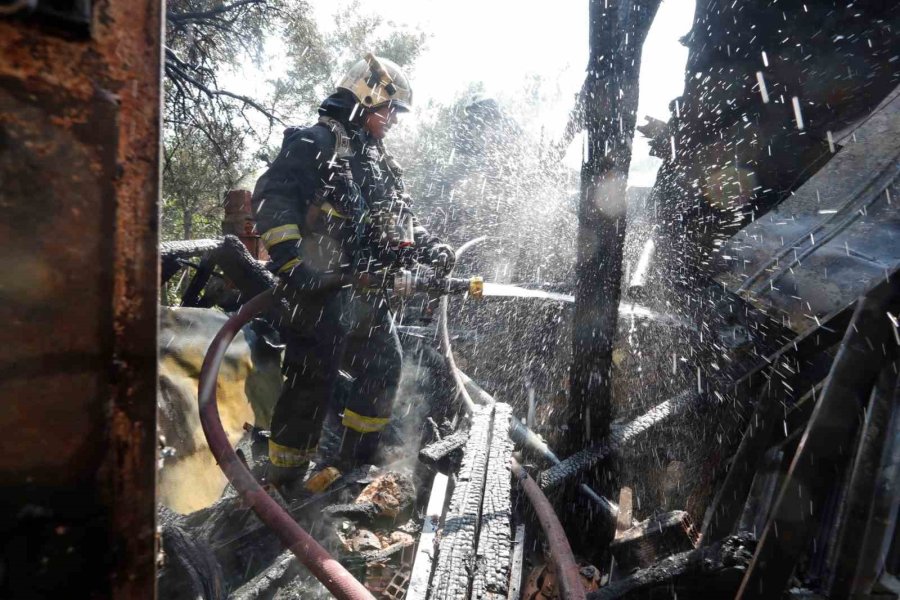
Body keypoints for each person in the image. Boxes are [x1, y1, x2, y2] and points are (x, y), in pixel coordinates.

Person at [251, 54, 455, 493]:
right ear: (366, 97)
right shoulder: (315, 142)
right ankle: (284, 481)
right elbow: (273, 197)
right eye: (390, 110)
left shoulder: (378, 160)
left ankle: (354, 466)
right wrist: (291, 264)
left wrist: (429, 245)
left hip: (365, 292)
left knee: (384, 365)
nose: (393, 121)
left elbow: (400, 219)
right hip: (318, 293)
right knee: (312, 378)